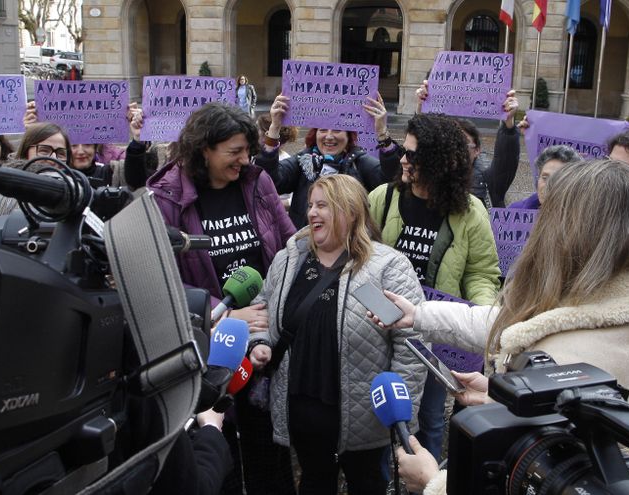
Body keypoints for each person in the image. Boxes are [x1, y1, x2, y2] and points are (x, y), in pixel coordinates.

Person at [370, 160, 629, 494]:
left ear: (568, 232)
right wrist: (420, 316)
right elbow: (515, 324)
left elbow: (542, 476)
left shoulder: (564, 359)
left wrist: (433, 483)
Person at [146, 102, 298, 495]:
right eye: (234, 152)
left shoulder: (257, 181)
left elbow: (288, 243)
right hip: (209, 348)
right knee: (218, 449)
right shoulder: (164, 198)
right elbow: (157, 281)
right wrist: (224, 312)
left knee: (268, 448)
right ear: (204, 150)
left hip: (265, 339)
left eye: (247, 150)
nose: (244, 159)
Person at [247, 174, 427, 495]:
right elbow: (259, 311)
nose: (312, 213)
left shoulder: (386, 267)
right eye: (310, 205)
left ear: (350, 212)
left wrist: (400, 412)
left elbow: (411, 343)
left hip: (363, 416)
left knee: (367, 484)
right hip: (300, 407)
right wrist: (260, 343)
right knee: (314, 482)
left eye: (323, 206)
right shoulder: (289, 259)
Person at [368, 113, 501, 463]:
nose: (402, 160)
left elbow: (482, 273)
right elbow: (360, 258)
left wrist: (481, 315)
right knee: (381, 407)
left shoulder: (470, 211)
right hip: (382, 324)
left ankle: (424, 477)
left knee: (428, 416)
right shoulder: (383, 198)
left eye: (411, 154)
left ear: (438, 162)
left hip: (434, 330)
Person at [256, 94, 400, 228]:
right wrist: (274, 128)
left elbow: (392, 180)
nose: (329, 136)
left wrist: (382, 132)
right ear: (315, 134)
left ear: (349, 136)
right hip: (306, 245)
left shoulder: (359, 163)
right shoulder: (303, 161)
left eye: (337, 130)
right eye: (323, 130)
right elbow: (268, 180)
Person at [415, 82, 521, 208]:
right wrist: (422, 108)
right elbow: (419, 148)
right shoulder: (434, 176)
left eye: (464, 142)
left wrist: (508, 124)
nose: (457, 147)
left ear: (477, 150)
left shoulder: (490, 181)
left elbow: (506, 159)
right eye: (453, 141)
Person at [508, 144, 581, 209]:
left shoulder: (587, 219)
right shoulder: (514, 212)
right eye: (545, 178)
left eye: (558, 179)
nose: (548, 185)